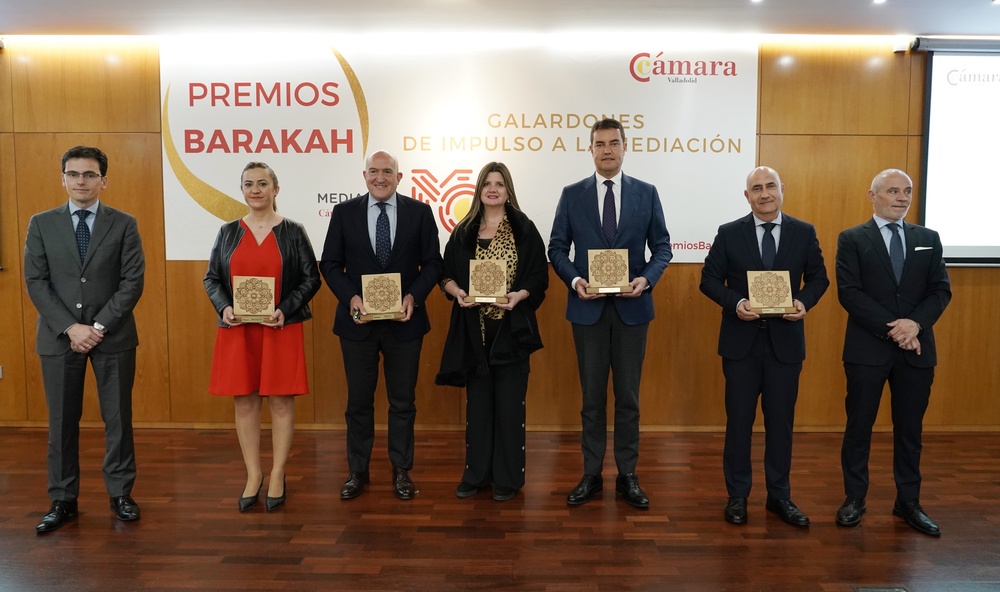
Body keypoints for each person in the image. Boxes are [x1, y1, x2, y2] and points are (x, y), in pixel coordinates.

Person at [548, 118, 672, 509]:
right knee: (592, 399)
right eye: (599, 143)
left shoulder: (647, 193)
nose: (606, 150)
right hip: (588, 311)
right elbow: (556, 249)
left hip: (633, 310)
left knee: (629, 398)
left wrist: (646, 280)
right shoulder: (571, 195)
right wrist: (574, 281)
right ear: (590, 149)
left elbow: (663, 247)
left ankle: (627, 475)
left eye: (613, 143)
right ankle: (591, 475)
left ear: (624, 147)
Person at [24, 146, 145, 533]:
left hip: (113, 337)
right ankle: (62, 500)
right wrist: (70, 327)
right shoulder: (41, 223)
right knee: (61, 422)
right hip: (60, 339)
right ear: (62, 179)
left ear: (103, 180)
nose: (81, 181)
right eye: (74, 174)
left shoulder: (124, 223)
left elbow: (132, 282)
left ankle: (121, 494)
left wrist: (98, 327)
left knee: (118, 420)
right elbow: (36, 282)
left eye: (90, 174)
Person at [699, 166, 829, 527]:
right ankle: (737, 497)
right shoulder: (729, 233)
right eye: (756, 188)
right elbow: (709, 280)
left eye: (770, 186)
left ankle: (779, 496)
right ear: (747, 196)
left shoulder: (803, 232)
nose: (764, 193)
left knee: (781, 424)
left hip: (785, 345)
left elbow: (820, 278)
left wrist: (804, 301)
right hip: (740, 345)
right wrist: (735, 302)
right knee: (738, 423)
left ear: (782, 189)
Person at [320, 150, 442, 501]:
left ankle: (401, 469)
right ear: (364, 176)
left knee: (402, 402)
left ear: (399, 178)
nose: (380, 177)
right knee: (358, 402)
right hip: (357, 324)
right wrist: (350, 298)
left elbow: (432, 264)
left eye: (387, 171)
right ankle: (357, 471)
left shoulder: (420, 213)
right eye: (374, 171)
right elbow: (330, 264)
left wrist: (413, 297)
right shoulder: (345, 214)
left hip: (405, 323)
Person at [835, 168, 951, 536]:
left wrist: (914, 325)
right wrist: (896, 329)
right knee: (859, 427)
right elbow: (849, 292)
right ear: (873, 195)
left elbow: (940, 291)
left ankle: (908, 502)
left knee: (910, 430)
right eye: (893, 191)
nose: (902, 197)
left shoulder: (928, 238)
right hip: (868, 349)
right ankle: (855, 498)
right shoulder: (852, 238)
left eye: (908, 191)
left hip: (916, 350)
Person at [204, 162, 320, 513]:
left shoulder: (293, 231)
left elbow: (311, 278)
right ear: (242, 190)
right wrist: (223, 307)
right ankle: (253, 475)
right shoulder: (227, 232)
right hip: (238, 331)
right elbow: (212, 279)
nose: (255, 190)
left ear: (276, 189)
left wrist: (286, 308)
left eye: (263, 183)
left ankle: (278, 473)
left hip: (280, 328)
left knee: (282, 401)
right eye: (248, 184)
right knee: (245, 401)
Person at [435, 162, 549, 502]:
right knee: (479, 407)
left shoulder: (524, 228)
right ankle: (476, 475)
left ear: (508, 189)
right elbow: (445, 273)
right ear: (479, 190)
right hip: (474, 330)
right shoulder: (464, 230)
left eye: (499, 183)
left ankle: (508, 479)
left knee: (510, 407)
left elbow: (538, 276)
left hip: (511, 330)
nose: (493, 189)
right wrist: (457, 293)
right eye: (487, 183)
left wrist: (520, 295)